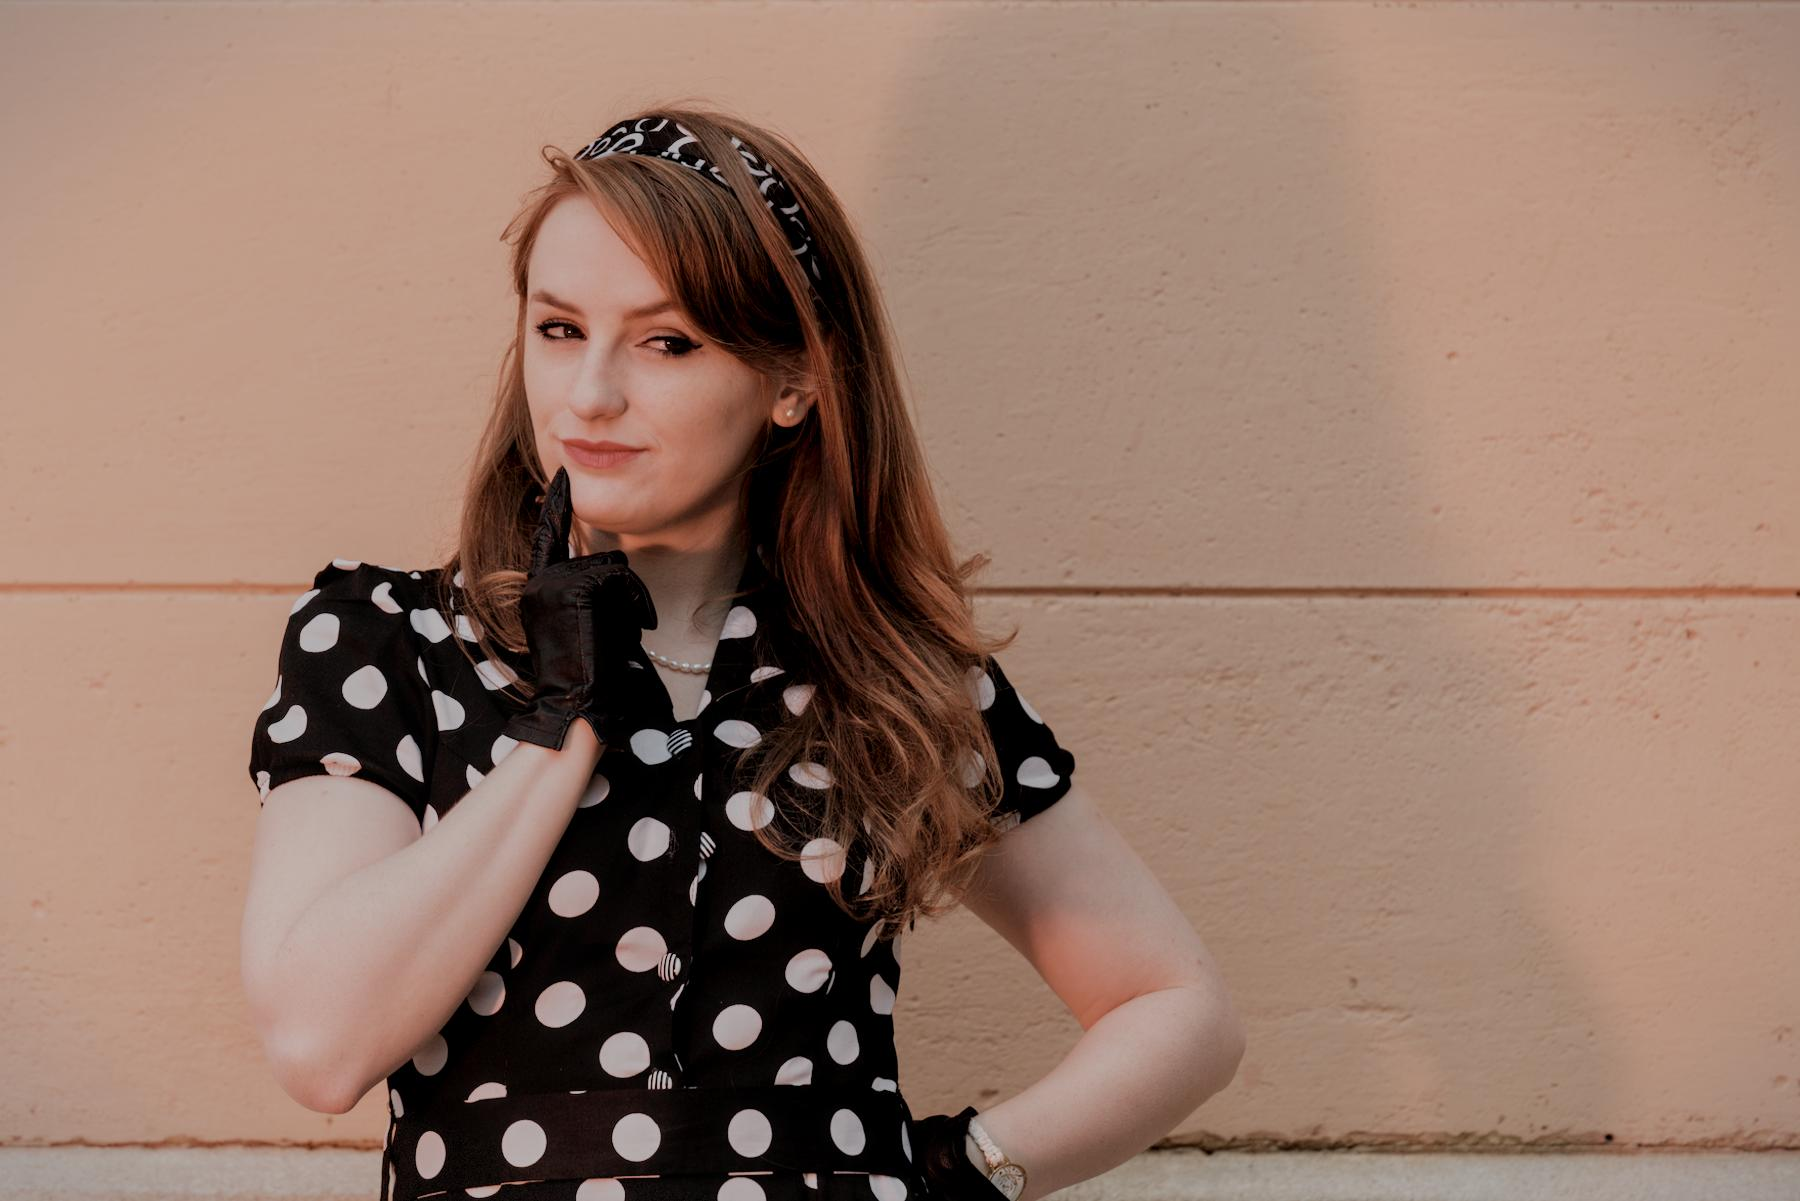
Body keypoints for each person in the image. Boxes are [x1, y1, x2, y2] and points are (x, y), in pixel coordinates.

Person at [240, 105, 1244, 1201]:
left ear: (793, 382)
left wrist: (958, 1174)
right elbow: (319, 1048)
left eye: (667, 342)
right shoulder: (391, 641)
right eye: (559, 328)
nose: (590, 395)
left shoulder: (891, 680)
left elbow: (1179, 1010)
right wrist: (560, 727)